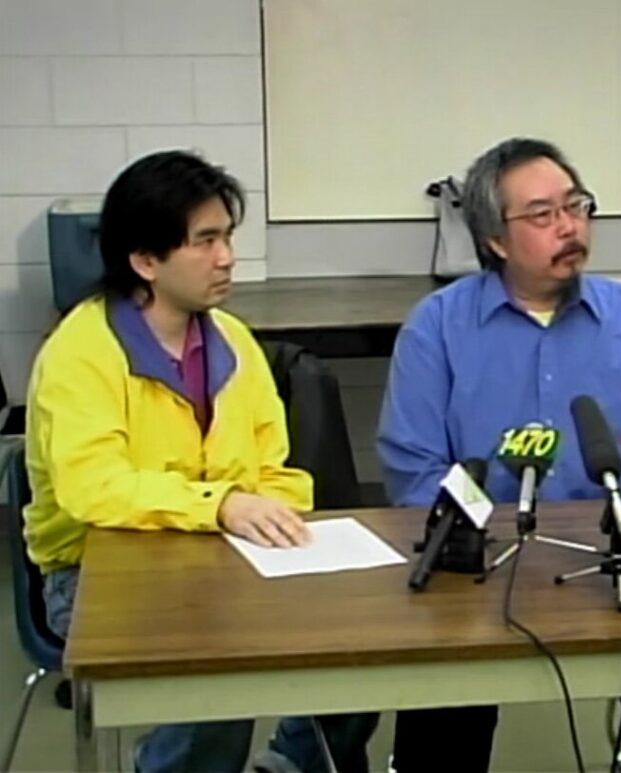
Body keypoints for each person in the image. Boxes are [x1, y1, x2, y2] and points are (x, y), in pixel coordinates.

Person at [23, 150, 377, 773]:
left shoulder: (233, 340)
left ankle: (289, 766)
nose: (226, 257)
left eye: (227, 236)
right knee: (222, 661)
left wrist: (276, 515)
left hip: (220, 557)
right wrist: (223, 507)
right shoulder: (80, 352)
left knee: (363, 638)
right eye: (206, 240)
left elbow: (275, 466)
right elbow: (92, 488)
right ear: (145, 261)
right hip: (94, 571)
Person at [376, 137, 621, 772]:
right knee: (442, 714)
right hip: (479, 568)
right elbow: (415, 471)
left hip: (615, 559)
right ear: (495, 239)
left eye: (576, 207)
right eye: (543, 215)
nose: (569, 227)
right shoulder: (437, 326)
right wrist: (483, 542)